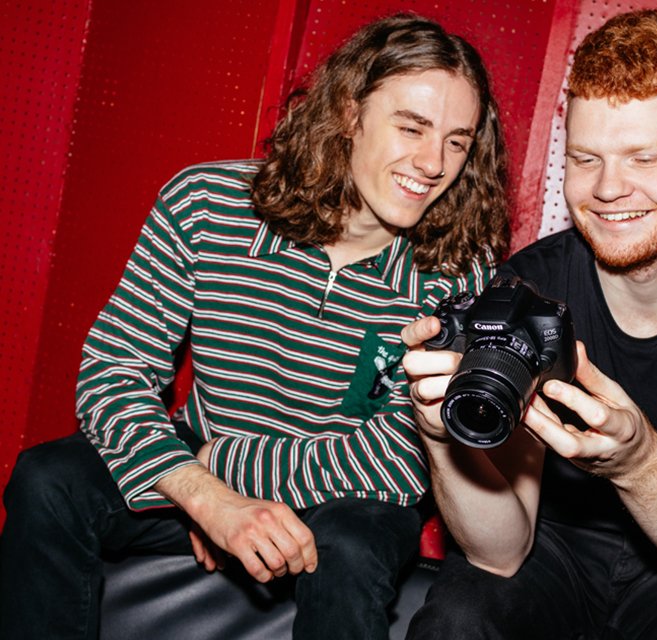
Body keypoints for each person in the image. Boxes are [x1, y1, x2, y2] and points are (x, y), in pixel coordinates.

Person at [0, 13, 507, 640]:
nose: (433, 163)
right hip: (199, 461)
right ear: (349, 113)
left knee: (350, 547)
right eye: (412, 127)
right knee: (48, 482)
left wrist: (235, 470)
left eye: (457, 141)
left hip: (346, 492)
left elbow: (405, 457)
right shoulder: (207, 204)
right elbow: (113, 372)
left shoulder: (458, 275)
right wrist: (205, 497)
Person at [400, 8, 657, 639]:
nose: (608, 188)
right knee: (461, 613)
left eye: (644, 157)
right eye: (586, 158)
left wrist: (639, 461)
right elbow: (502, 552)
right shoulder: (527, 289)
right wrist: (438, 432)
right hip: (551, 551)